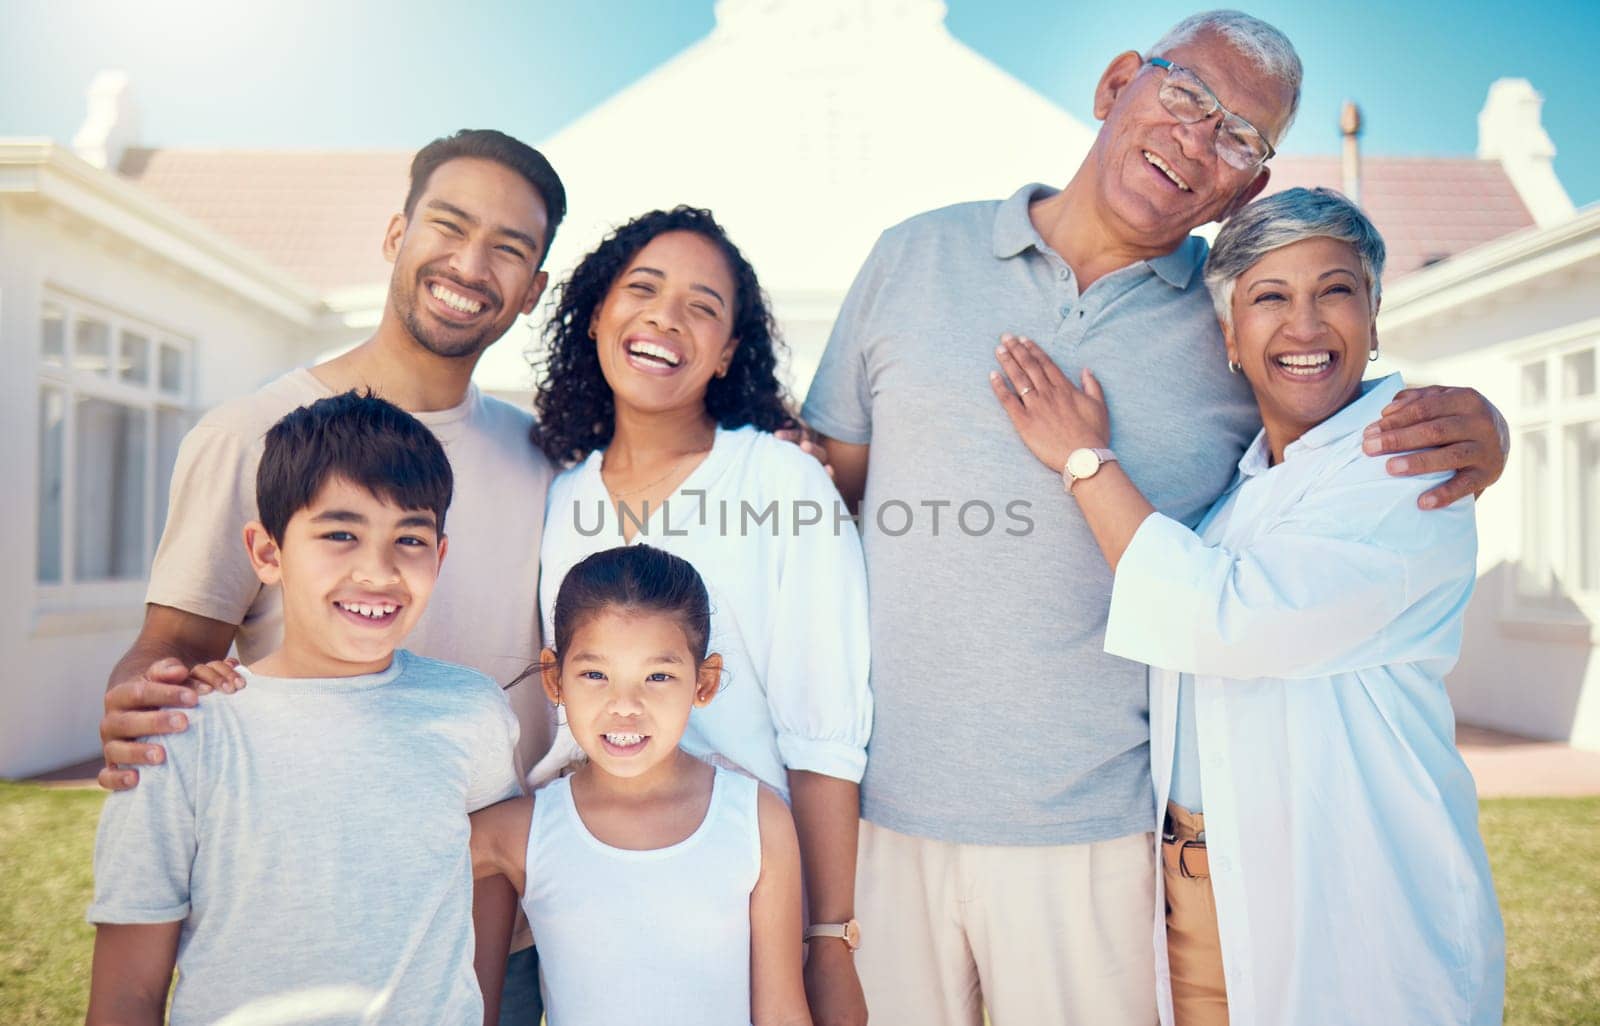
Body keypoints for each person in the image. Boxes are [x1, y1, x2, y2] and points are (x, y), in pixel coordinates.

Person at [800, 11, 1510, 1025]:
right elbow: (837, 484)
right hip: (884, 816)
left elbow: (1340, 428)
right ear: (1116, 85)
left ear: (1248, 186)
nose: (1198, 140)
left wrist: (1487, 430)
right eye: (1186, 97)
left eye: (1240, 137)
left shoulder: (1236, 324)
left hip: (1096, 837)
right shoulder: (912, 255)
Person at [991, 186, 1504, 1025]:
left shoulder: (1409, 470)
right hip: (1197, 908)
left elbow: (1217, 617)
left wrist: (1083, 458)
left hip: (1348, 912)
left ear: (1374, 317)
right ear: (1229, 336)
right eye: (1270, 298)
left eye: (1334, 291)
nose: (1304, 327)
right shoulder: (1243, 492)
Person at [94, 128, 566, 1022]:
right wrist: (134, 705)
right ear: (397, 234)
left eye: (509, 248)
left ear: (533, 290)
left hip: (496, 926)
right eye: (449, 225)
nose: (471, 263)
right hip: (302, 924)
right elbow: (165, 660)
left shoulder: (541, 454)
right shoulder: (251, 433)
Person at [530, 206, 871, 1024]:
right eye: (641, 289)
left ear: (726, 355)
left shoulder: (781, 483)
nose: (665, 317)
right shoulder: (560, 496)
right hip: (588, 906)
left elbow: (823, 727)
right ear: (598, 315)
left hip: (745, 907)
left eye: (703, 306)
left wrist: (827, 939)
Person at [86, 393, 523, 1025]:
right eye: (340, 534)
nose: (377, 570)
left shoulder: (471, 711)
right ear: (267, 553)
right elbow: (127, 994)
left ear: (441, 556)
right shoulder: (179, 735)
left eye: (410, 538)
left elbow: (487, 876)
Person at [471, 544, 811, 1026]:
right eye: (595, 674)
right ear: (554, 679)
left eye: (657, 675)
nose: (625, 704)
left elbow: (781, 1013)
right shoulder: (516, 833)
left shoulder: (756, 819)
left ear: (704, 682)